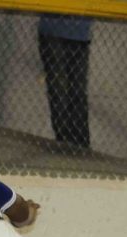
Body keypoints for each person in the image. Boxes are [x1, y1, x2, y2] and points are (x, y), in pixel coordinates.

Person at [38, 14, 93, 150]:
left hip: (79, 34)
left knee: (77, 91)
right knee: (60, 90)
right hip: (54, 31)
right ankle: (66, 141)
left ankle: (79, 143)